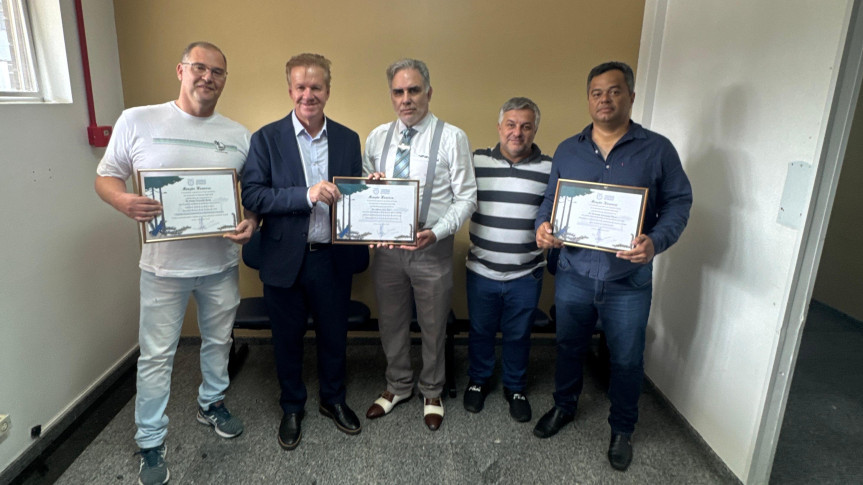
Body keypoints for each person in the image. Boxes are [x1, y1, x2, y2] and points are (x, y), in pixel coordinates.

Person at [95, 41, 254, 485]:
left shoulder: (240, 136)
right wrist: (123, 200)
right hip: (163, 268)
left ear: (225, 80)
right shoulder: (139, 120)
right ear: (181, 70)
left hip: (220, 262)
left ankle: (212, 403)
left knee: (218, 341)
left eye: (218, 72)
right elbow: (106, 176)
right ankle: (149, 440)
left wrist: (252, 221)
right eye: (199, 68)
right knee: (157, 355)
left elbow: (254, 193)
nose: (208, 77)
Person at [533, 61, 692, 471]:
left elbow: (679, 202)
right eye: (597, 92)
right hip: (574, 275)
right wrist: (543, 227)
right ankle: (564, 407)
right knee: (568, 346)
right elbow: (551, 200)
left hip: (628, 279)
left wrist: (656, 241)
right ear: (588, 99)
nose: (605, 99)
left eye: (615, 91)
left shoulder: (658, 149)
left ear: (631, 97)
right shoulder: (569, 149)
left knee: (626, 358)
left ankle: (622, 428)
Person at [241, 53, 366, 451]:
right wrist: (305, 194)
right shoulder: (265, 138)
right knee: (287, 338)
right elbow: (254, 194)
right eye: (300, 86)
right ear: (290, 89)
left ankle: (333, 400)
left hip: (331, 256)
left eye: (316, 87)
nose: (307, 94)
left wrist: (374, 190)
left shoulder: (348, 138)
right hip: (283, 258)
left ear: (328, 90)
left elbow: (355, 192)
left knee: (334, 335)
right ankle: (292, 406)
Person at [363, 58, 477, 431]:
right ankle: (398, 386)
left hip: (432, 245)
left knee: (432, 324)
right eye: (398, 91)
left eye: (414, 90)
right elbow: (364, 192)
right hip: (388, 251)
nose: (406, 99)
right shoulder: (377, 137)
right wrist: (371, 187)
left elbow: (467, 198)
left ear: (429, 92)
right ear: (391, 95)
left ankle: (431, 389)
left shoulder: (452, 137)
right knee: (392, 321)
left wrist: (439, 231)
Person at [463, 97, 552, 423]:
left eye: (526, 126)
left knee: (518, 334)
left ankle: (515, 386)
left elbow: (557, 213)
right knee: (481, 330)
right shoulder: (476, 161)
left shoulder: (550, 168)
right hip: (482, 269)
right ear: (499, 127)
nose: (518, 132)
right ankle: (479, 380)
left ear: (534, 130)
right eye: (511, 125)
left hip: (526, 273)